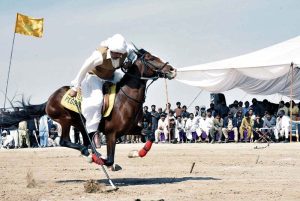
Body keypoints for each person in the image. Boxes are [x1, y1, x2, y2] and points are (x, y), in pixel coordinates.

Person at [69, 34, 136, 138]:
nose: (116, 56)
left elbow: (133, 54)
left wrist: (129, 62)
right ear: (110, 49)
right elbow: (84, 68)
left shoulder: (126, 51)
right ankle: (93, 131)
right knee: (97, 101)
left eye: (119, 54)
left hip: (111, 77)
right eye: (114, 53)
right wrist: (75, 86)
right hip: (93, 77)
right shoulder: (99, 55)